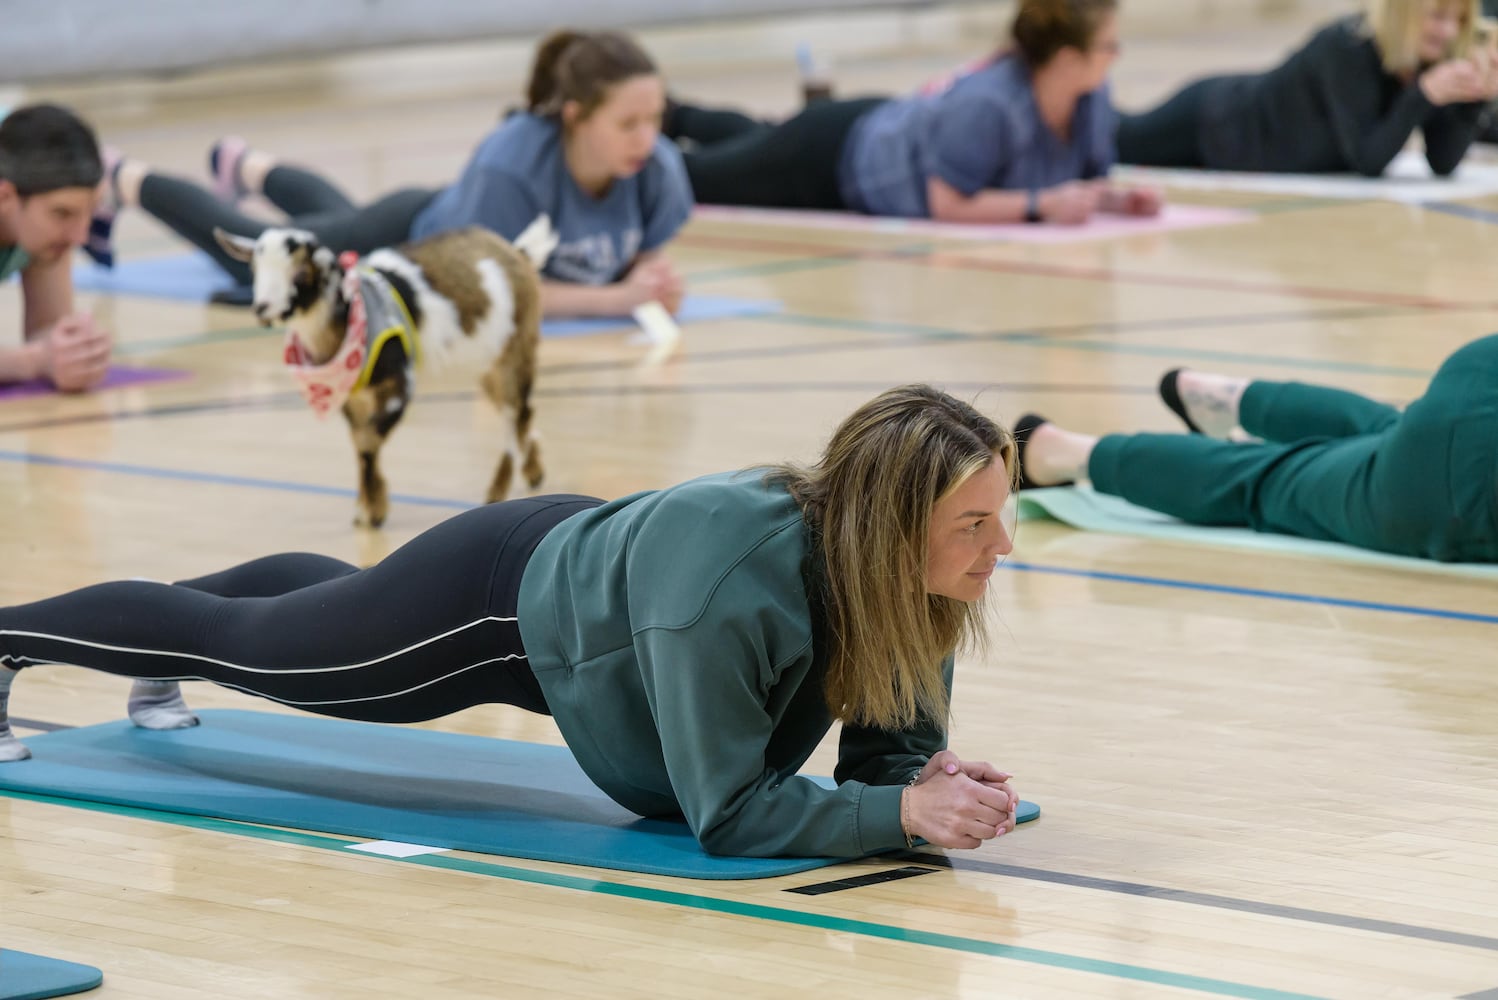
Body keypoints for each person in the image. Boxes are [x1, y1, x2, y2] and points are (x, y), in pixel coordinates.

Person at [0, 384, 1023, 859]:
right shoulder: (730, 592)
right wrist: (894, 818)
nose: (1000, 546)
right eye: (973, 524)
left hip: (607, 605)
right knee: (259, 651)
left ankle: (215, 607)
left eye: (999, 517)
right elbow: (718, 813)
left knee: (312, 614)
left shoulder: (906, 581)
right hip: (496, 603)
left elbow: (883, 759)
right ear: (888, 529)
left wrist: (918, 784)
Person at [90, 30, 693, 318]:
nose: (648, 137)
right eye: (628, 123)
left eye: (655, 118)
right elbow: (499, 294)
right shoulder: (513, 166)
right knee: (265, 257)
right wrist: (622, 299)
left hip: (441, 217)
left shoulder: (654, 164)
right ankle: (122, 179)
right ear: (575, 117)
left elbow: (645, 251)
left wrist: (651, 275)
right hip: (414, 238)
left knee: (333, 220)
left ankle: (248, 167)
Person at [664, 0, 1162, 225]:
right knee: (700, 176)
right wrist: (1041, 206)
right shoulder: (991, 103)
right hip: (829, 159)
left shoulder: (1091, 97)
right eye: (1109, 46)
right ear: (1069, 58)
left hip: (877, 127)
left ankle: (678, 114)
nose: (1116, 56)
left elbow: (1076, 187)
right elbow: (946, 203)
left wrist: (1116, 202)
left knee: (757, 142)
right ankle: (646, 127)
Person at [1013, 335, 1498, 562]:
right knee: (1266, 481)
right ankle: (1061, 453)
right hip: (1464, 493)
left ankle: (1230, 398)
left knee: (1394, 438)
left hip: (1477, 372)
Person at [1115, 0, 1498, 176]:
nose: (1447, 32)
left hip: (1241, 152)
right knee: (1114, 142)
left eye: (1455, 21)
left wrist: (1473, 102)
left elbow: (1443, 163)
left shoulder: (1430, 57)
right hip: (1217, 121)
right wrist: (1423, 96)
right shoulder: (1349, 45)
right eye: (1436, 17)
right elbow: (1367, 158)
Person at [0, 104, 113, 392]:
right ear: (5, 197)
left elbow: (47, 327)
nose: (80, 237)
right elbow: (38, 355)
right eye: (62, 214)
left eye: (89, 212)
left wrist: (74, 350)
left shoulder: (45, 230)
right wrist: (34, 361)